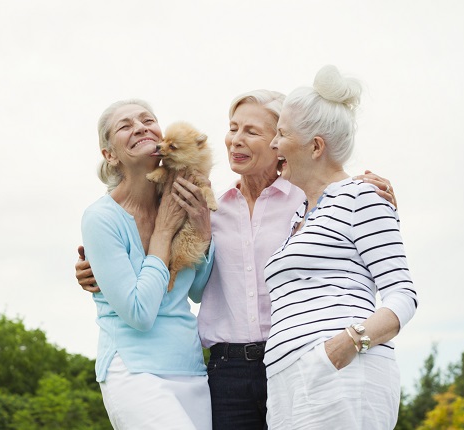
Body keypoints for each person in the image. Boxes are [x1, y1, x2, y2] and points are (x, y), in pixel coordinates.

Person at [77, 90, 397, 429]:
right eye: (233, 128)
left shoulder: (309, 201)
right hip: (225, 370)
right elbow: (189, 282)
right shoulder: (208, 206)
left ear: (279, 143)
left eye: (252, 131)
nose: (235, 140)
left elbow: (356, 228)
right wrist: (92, 269)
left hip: (290, 359)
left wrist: (370, 195)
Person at [265, 65, 418, 429]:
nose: (273, 144)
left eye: (281, 134)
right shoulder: (299, 215)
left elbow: (402, 294)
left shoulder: (361, 195)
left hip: (340, 371)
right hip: (287, 378)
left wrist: (346, 344)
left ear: (316, 146)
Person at [80, 99, 216, 429]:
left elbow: (198, 291)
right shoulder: (101, 219)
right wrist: (165, 230)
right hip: (133, 369)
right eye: (125, 126)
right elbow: (139, 314)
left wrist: (203, 231)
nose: (141, 127)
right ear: (110, 155)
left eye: (148, 120)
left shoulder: (186, 197)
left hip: (190, 368)